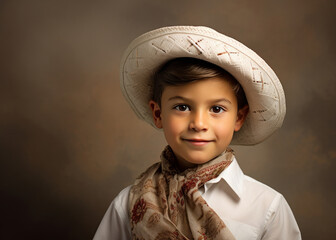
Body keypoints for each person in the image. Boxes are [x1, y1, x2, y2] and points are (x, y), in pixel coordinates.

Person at [93, 26, 301, 240]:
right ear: (158, 114)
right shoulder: (129, 204)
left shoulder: (267, 207)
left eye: (217, 109)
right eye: (182, 107)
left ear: (239, 118)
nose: (199, 124)